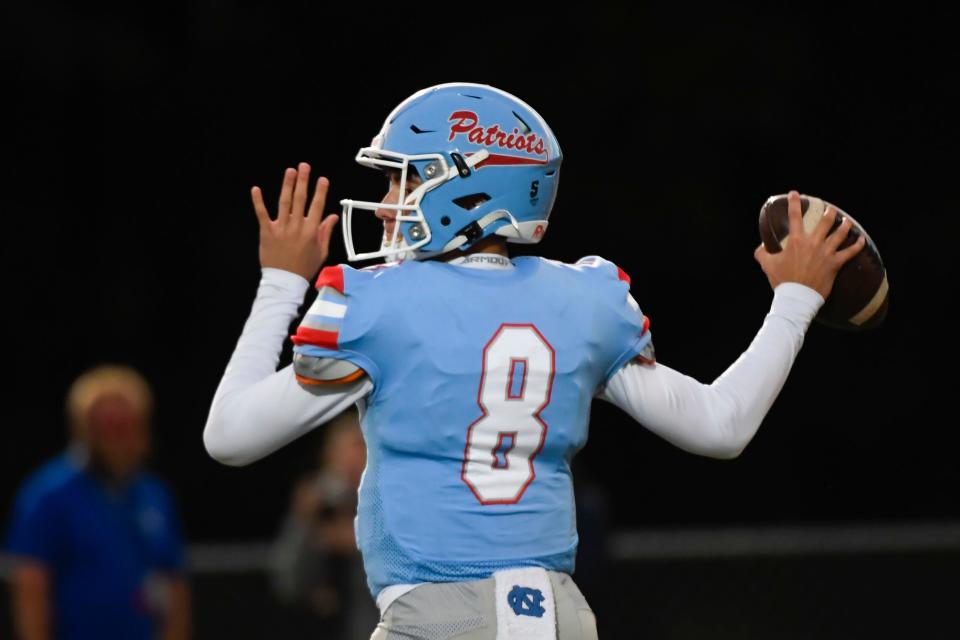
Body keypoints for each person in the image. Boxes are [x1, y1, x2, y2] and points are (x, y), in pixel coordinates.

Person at [203, 82, 865, 639]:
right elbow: (722, 426)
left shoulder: (379, 305)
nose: (387, 202)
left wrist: (280, 282)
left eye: (406, 178)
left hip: (435, 616)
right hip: (559, 618)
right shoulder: (585, 299)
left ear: (464, 187)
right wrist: (796, 300)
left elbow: (229, 437)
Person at [6, 364, 191, 640]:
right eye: (108, 427)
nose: (118, 441)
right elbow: (30, 585)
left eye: (126, 426)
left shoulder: (154, 494)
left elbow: (174, 583)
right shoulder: (49, 494)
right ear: (84, 429)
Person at [269, 408, 379, 639]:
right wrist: (303, 520)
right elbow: (287, 583)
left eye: (360, 446)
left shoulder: (390, 502)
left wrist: (360, 539)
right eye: (342, 449)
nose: (351, 458)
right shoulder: (320, 509)